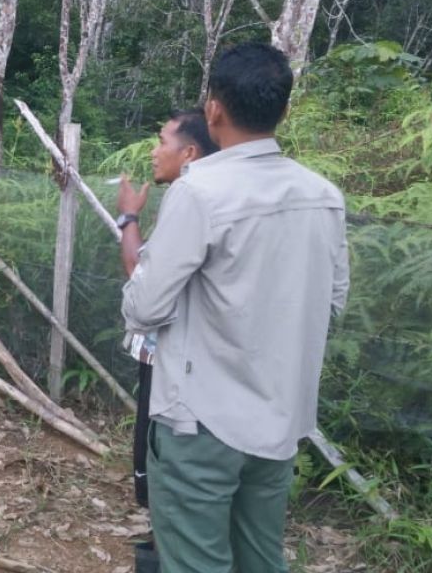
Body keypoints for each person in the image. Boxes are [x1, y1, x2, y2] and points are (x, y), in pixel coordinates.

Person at [120, 44, 349, 573]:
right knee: (260, 558)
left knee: (197, 562)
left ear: (214, 110)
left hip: (202, 422)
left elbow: (145, 306)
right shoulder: (323, 196)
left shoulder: (201, 191)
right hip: (281, 420)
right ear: (283, 111)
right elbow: (333, 304)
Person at [116, 109, 217, 530]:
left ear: (189, 153)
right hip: (188, 359)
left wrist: (128, 217)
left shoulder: (192, 199)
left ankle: (163, 533)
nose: (154, 152)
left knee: (157, 447)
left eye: (162, 141)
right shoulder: (197, 196)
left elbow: (140, 274)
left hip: (173, 357)